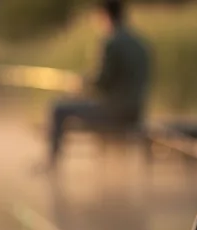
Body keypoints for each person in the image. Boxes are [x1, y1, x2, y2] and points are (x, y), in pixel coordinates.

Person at [45, 0, 151, 169]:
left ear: (105, 15)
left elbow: (102, 82)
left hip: (115, 112)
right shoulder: (140, 42)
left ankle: (51, 164)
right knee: (75, 105)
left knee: (58, 108)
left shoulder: (111, 42)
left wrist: (80, 83)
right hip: (136, 111)